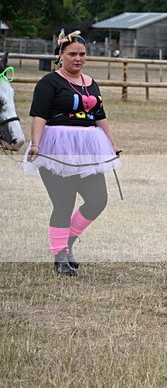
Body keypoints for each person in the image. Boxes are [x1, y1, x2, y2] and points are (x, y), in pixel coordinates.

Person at [23, 29, 122, 276]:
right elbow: (39, 115)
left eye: (82, 54)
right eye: (72, 54)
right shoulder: (49, 83)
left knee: (98, 199)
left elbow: (100, 116)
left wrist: (111, 144)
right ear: (61, 55)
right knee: (63, 203)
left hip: (88, 151)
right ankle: (60, 258)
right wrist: (35, 143)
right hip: (57, 148)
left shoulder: (91, 84)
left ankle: (68, 244)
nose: (78, 58)